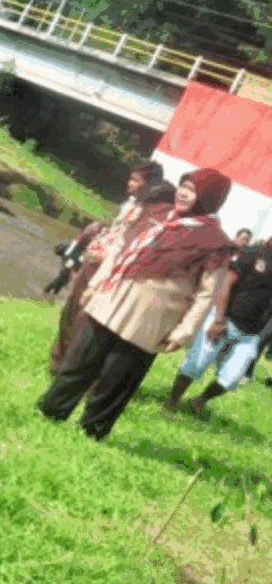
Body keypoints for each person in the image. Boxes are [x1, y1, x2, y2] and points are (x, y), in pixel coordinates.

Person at [38, 168, 233, 441]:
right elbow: (120, 248)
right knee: (79, 360)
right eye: (183, 186)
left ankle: (91, 433)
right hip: (113, 298)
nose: (183, 193)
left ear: (209, 198)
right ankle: (49, 412)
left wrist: (185, 331)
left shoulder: (217, 243)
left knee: (118, 378)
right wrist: (95, 287)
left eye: (192, 189)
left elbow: (206, 294)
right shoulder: (160, 216)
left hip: (152, 317)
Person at [46, 164, 175, 374]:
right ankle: (57, 361)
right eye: (131, 179)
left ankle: (70, 366)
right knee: (70, 310)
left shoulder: (152, 216)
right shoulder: (130, 205)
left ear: (150, 184)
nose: (130, 184)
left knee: (85, 318)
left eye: (136, 180)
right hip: (94, 262)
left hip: (109, 270)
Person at [163, 237, 272, 416]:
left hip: (251, 333)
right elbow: (225, 284)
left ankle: (199, 400)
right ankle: (172, 401)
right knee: (196, 364)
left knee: (232, 377)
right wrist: (218, 319)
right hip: (226, 320)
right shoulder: (253, 253)